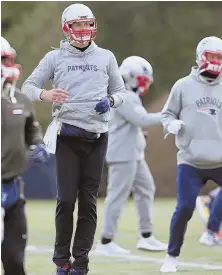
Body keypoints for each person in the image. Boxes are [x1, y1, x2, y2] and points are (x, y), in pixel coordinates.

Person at [21, 3, 126, 275]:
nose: (82, 30)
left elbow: (121, 91)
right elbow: (28, 86)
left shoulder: (106, 57)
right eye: (77, 24)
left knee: (88, 202)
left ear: (93, 25)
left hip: (97, 137)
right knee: (66, 200)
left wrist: (111, 100)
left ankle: (81, 264)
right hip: (67, 135)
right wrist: (46, 95)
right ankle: (61, 260)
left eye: (86, 24)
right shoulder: (55, 58)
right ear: (67, 28)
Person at [160, 36, 222, 273]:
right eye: (212, 56)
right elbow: (167, 115)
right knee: (184, 207)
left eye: (219, 57)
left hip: (219, 159)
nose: (215, 61)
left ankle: (210, 231)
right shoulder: (183, 86)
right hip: (190, 160)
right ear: (200, 57)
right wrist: (170, 124)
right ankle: (171, 256)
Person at [95, 56, 168, 255]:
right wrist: (167, 117)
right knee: (117, 195)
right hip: (122, 153)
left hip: (133, 152)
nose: (144, 84)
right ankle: (106, 240)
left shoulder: (129, 95)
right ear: (131, 76)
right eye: (142, 79)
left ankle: (146, 236)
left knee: (146, 188)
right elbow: (141, 119)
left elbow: (134, 123)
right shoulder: (123, 95)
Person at [1, 37, 49, 275]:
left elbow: (32, 128)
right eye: (3, 60)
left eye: (8, 59)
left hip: (11, 188)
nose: (9, 65)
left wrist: (37, 144)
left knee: (14, 259)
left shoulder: (20, 99)